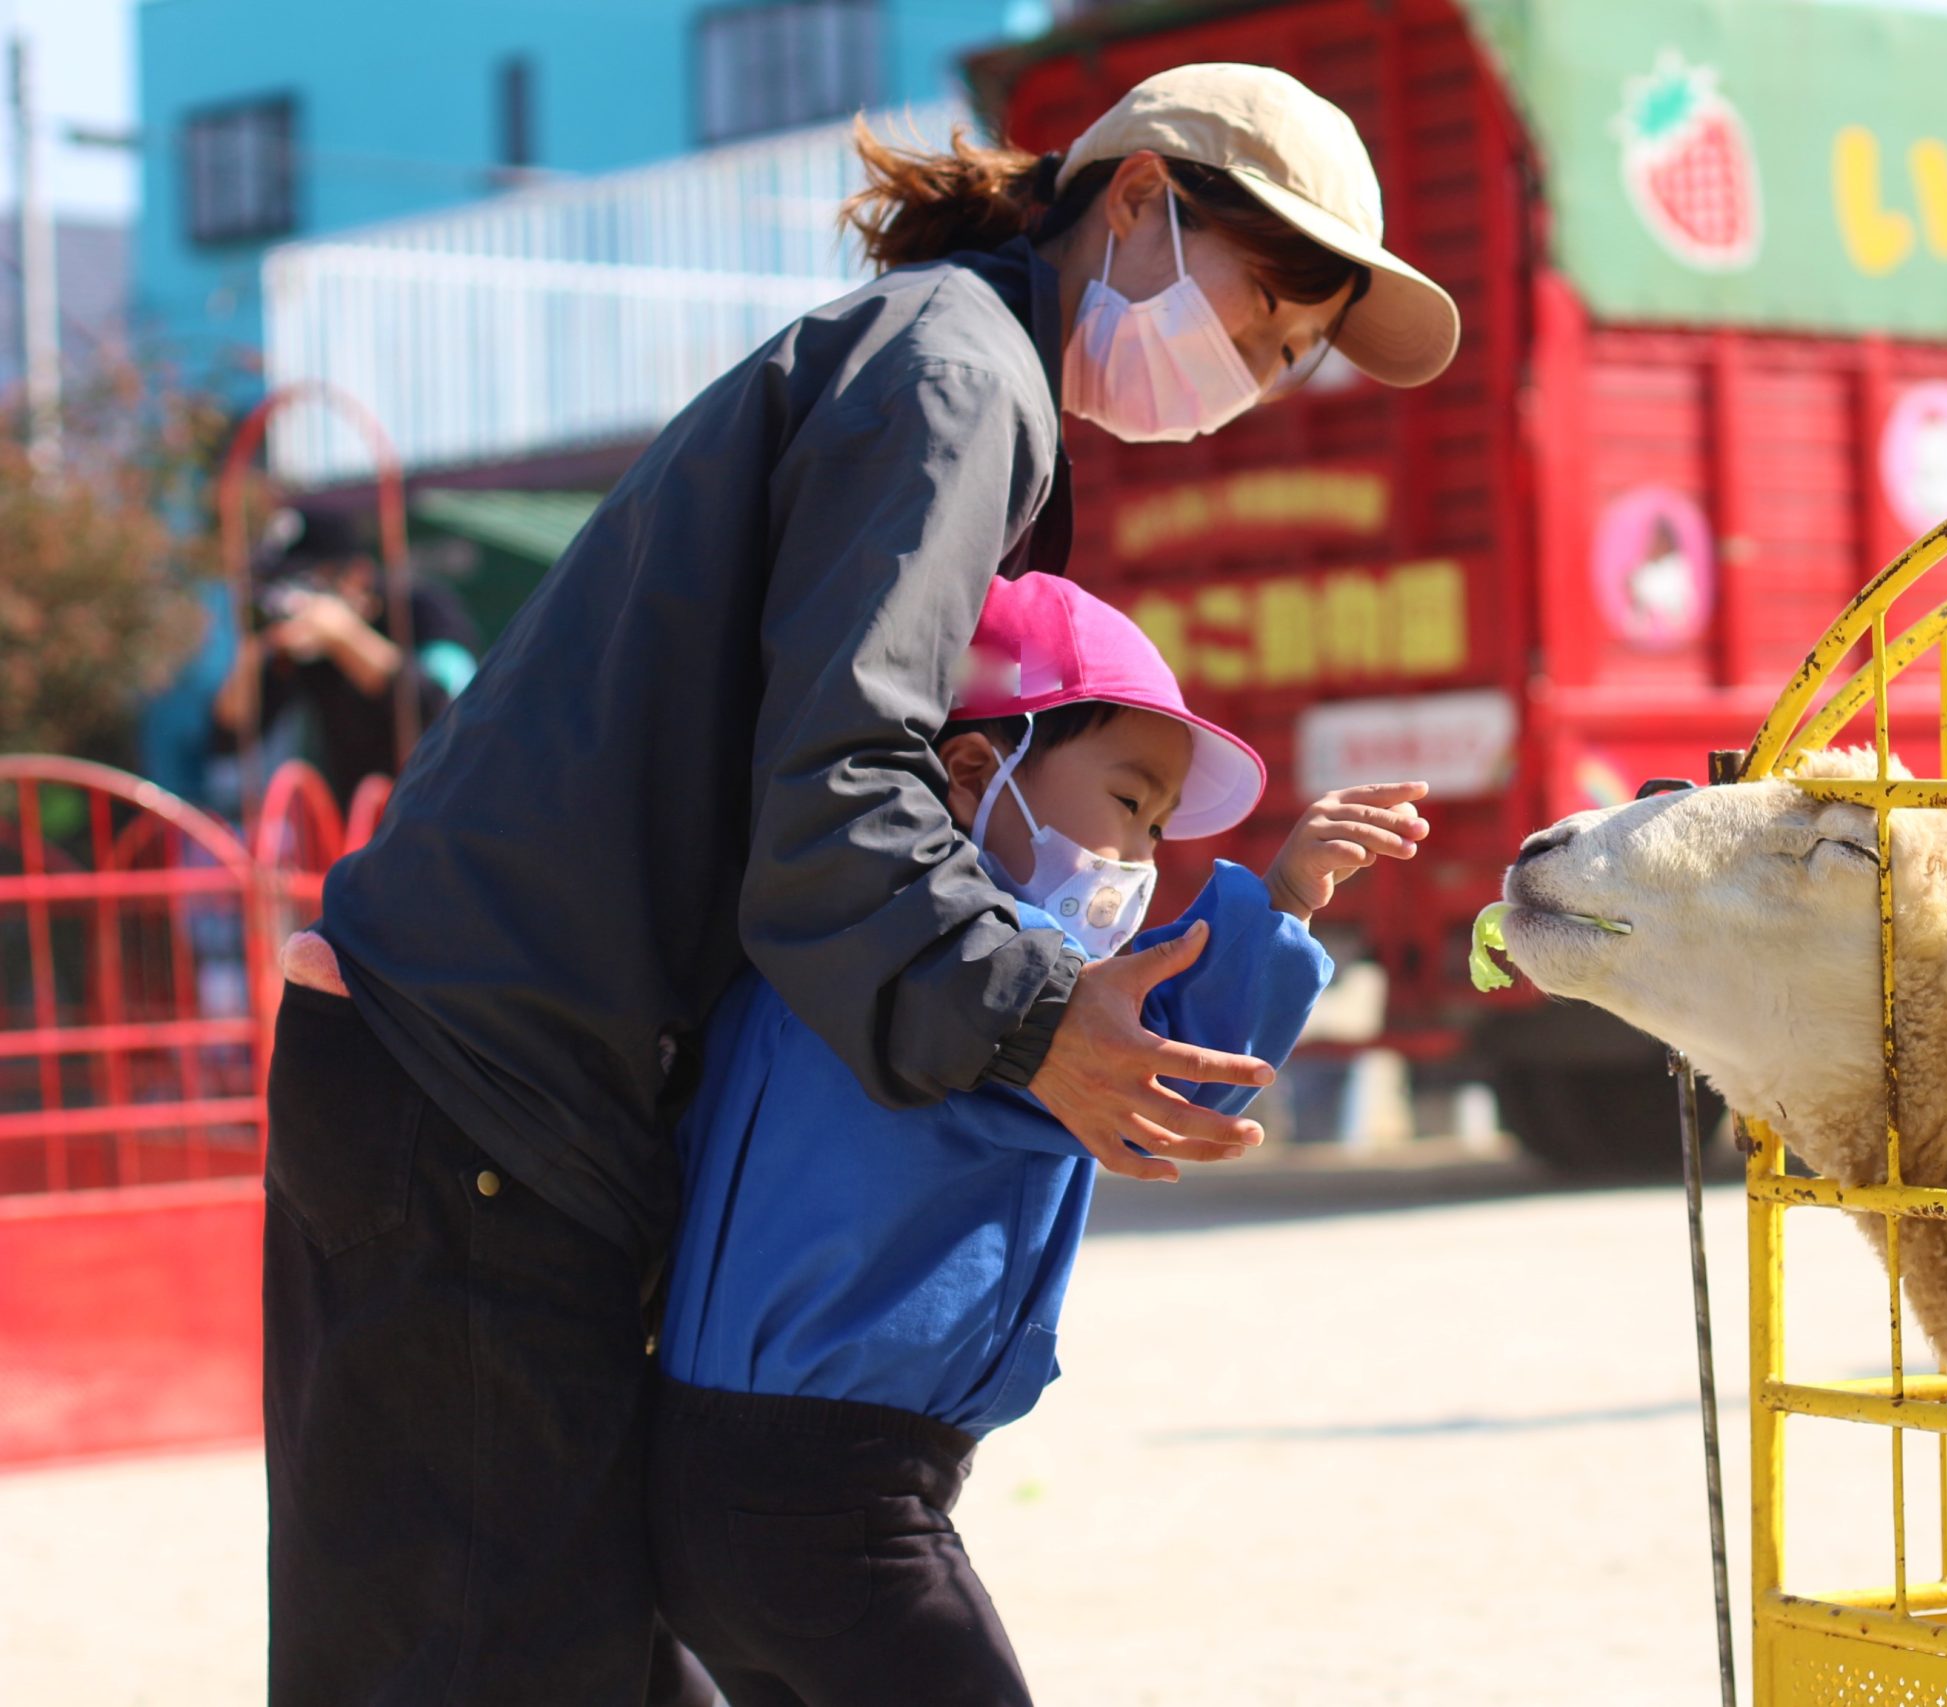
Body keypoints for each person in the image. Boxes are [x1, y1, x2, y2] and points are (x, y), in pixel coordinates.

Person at [258, 62, 1459, 1707]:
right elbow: (842, 782)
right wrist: (1037, 1016)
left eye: (1283, 362)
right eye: (1259, 317)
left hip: (502, 1080)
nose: (1249, 376)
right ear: (1136, 201)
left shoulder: (954, 368)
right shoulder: (962, 377)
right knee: (491, 1662)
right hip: (477, 1079)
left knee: (578, 1645)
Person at [649, 573, 1427, 1706]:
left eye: (1159, 825)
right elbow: (1164, 1067)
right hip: (830, 1497)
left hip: (721, 1482)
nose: (1145, 851)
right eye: (1128, 800)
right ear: (974, 774)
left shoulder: (855, 949)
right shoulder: (971, 972)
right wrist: (1282, 903)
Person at [211, 508, 481, 805]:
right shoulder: (300, 647)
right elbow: (230, 738)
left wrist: (346, 637)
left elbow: (446, 708)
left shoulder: (423, 609)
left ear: (356, 574)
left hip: (444, 807)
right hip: (360, 826)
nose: (294, 598)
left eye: (307, 581)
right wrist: (252, 652)